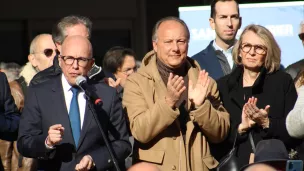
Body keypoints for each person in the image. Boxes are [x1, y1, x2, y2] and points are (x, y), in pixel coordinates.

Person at [123, 16, 230, 171]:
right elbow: (140, 132)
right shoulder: (137, 82)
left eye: (181, 41)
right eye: (168, 42)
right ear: (155, 45)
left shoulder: (204, 81)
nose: (176, 48)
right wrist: (167, 103)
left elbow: (221, 133)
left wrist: (201, 107)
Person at [17, 36, 131, 171]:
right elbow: (24, 142)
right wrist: (47, 142)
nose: (75, 66)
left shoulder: (106, 95)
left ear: (91, 63)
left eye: (82, 60)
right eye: (69, 58)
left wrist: (95, 159)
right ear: (60, 60)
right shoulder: (39, 93)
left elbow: (122, 144)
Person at [216, 24, 301, 168]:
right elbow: (217, 138)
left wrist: (267, 123)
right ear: (239, 51)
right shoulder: (223, 86)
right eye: (247, 46)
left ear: (268, 53)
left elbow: (295, 131)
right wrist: (241, 128)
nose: (251, 52)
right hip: (236, 165)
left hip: (273, 165)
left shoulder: (282, 81)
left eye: (259, 48)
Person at [30, 15, 105, 86]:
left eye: (86, 40)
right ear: (59, 45)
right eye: (75, 41)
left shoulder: (101, 77)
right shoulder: (41, 81)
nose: (82, 44)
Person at [192, 0, 241, 80]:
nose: (229, 23)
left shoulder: (253, 56)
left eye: (234, 17)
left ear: (240, 22)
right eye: (223, 17)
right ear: (212, 23)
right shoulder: (196, 62)